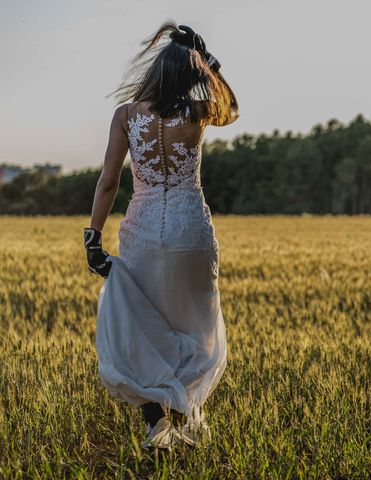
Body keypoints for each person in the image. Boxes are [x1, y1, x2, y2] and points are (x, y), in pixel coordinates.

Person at [83, 21, 239, 452]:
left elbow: (109, 182)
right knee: (193, 324)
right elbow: (234, 107)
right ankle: (184, 414)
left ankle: (156, 424)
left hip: (143, 228)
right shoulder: (199, 111)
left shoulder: (126, 115)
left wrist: (92, 237)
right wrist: (210, 66)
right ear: (189, 76)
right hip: (191, 228)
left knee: (144, 322)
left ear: (153, 72)